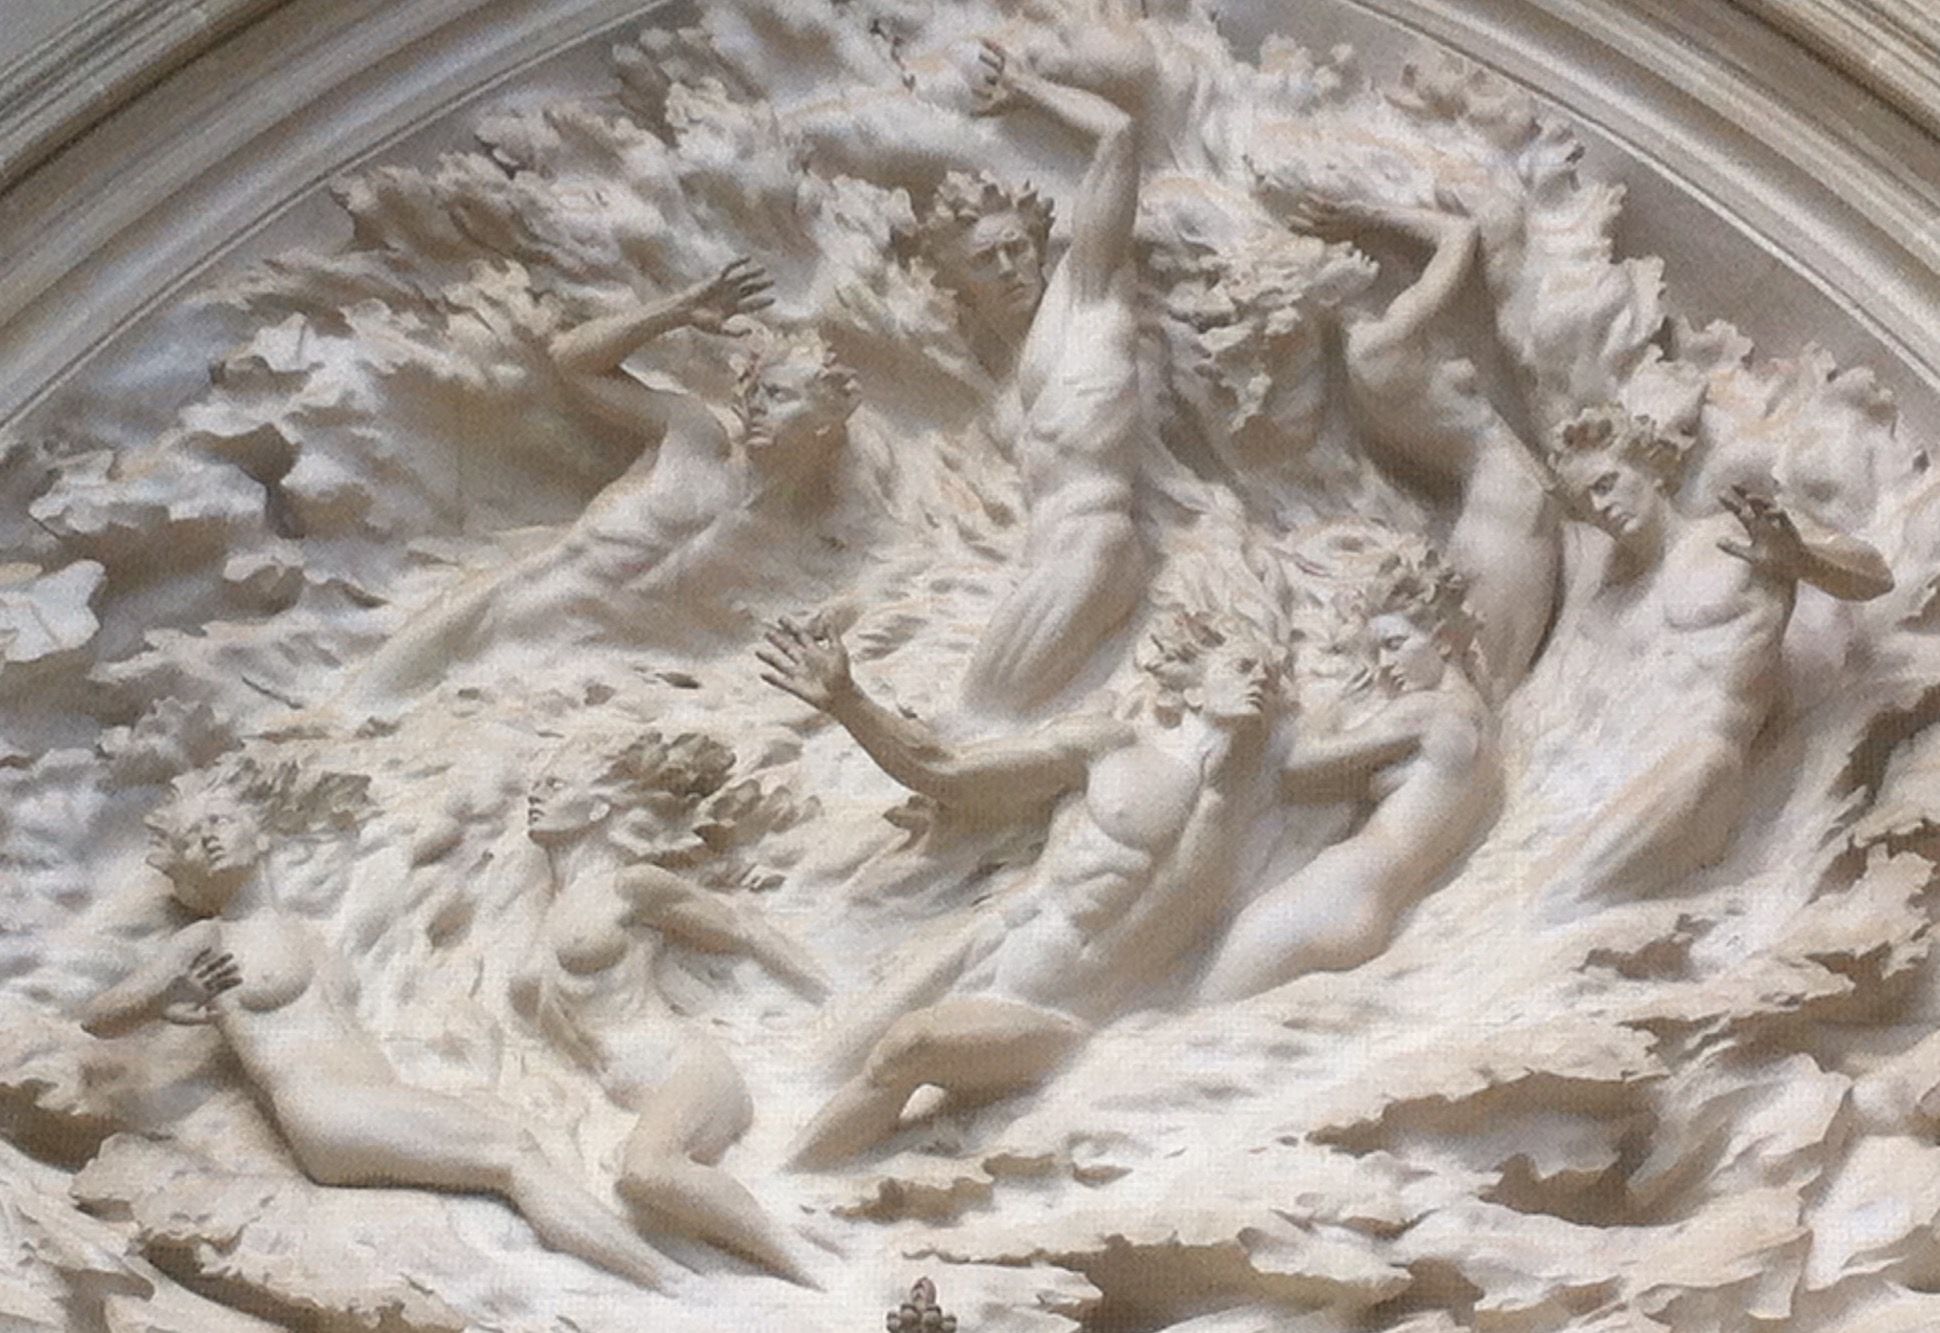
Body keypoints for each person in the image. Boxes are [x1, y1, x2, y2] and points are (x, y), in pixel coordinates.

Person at [80, 758, 671, 1289]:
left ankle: (648, 1276)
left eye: (218, 822)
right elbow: (100, 1016)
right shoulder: (210, 939)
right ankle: (666, 1283)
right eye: (192, 838)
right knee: (512, 1154)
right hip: (325, 1108)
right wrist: (170, 996)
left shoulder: (305, 931)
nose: (208, 838)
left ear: (257, 833)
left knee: (517, 1144)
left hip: (368, 1098)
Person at [756, 605, 1291, 1166]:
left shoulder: (1268, 796)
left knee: (910, 1046)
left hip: (1060, 1013)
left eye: (1271, 677)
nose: (1260, 680)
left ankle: (787, 1179)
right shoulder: (1110, 749)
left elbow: (1359, 758)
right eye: (1241, 666)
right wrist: (847, 700)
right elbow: (947, 770)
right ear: (1192, 688)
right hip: (986, 944)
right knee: (820, 1064)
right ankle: (763, 1172)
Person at [340, 258, 857, 709]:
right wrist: (678, 310)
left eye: (780, 397)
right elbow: (573, 362)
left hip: (560, 678)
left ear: (826, 421)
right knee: (353, 713)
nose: (759, 406)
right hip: (488, 616)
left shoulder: (796, 544)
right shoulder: (694, 437)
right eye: (759, 391)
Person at [1534, 406, 1892, 911]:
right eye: (1586, 502)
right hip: (1630, 777)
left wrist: (1800, 559)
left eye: (1607, 484)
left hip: (1706, 764)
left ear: (1647, 466)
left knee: (1560, 902)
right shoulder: (1615, 596)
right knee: (1540, 894)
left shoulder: (1733, 536)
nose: (1601, 506)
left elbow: (1876, 575)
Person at [515, 730, 827, 1284]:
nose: (536, 796)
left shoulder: (630, 886)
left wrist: (829, 998)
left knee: (647, 1173)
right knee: (641, 1178)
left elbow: (743, 930)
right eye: (538, 785)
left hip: (685, 1070)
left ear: (599, 807)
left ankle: (814, 1268)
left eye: (555, 785)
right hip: (624, 1094)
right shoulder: (545, 910)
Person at [933, 24, 1156, 713]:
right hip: (1051, 560)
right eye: (984, 261)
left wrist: (1027, 90)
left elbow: (1118, 137)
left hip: (1096, 545)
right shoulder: (1001, 399)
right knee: (986, 713)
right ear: (960, 287)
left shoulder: (1085, 293)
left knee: (979, 710)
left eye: (1015, 248)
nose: (1008, 268)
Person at [1283, 190, 1559, 697]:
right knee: (1491, 687)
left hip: (1492, 504)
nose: (1344, 253)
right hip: (1505, 500)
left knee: (1483, 677)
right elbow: (1460, 236)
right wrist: (1371, 213)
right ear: (1321, 293)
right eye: (1325, 260)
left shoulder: (1358, 365)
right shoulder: (1377, 344)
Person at [1199, 545, 1498, 999]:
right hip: (1378, 906)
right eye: (1376, 654)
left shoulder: (1426, 710)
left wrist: (1329, 710)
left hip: (1338, 889)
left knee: (1211, 1002)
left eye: (1394, 645)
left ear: (1440, 640)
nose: (1385, 667)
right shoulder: (1479, 720)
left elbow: (1297, 767)